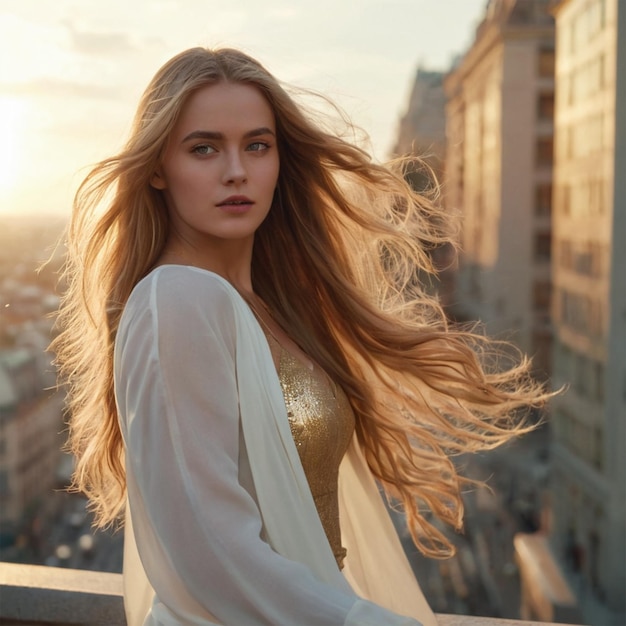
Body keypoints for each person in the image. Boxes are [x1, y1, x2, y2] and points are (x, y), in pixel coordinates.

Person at [53, 47, 551, 625]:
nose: (236, 169)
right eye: (204, 148)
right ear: (159, 167)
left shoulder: (271, 307)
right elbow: (211, 552)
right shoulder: (177, 301)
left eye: (257, 146)